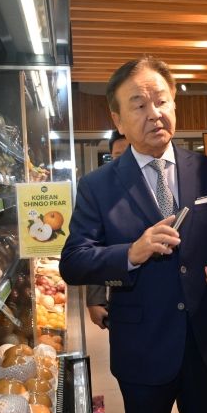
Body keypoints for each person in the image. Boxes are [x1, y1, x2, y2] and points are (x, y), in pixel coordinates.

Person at [60, 57, 207, 413]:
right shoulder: (97, 186)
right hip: (142, 346)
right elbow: (73, 262)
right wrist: (130, 253)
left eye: (161, 101)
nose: (154, 113)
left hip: (203, 342)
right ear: (118, 119)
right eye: (139, 105)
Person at [86, 131, 130, 330]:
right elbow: (95, 245)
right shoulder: (102, 191)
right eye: (118, 156)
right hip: (123, 294)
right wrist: (95, 299)